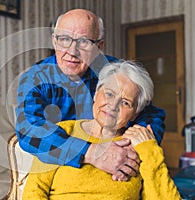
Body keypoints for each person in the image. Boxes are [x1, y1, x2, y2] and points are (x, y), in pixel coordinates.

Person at [15, 8, 165, 181]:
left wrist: (131, 148)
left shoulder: (114, 71)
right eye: (64, 39)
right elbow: (28, 130)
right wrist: (92, 153)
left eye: (84, 42)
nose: (72, 51)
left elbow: (151, 114)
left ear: (99, 46)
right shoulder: (35, 78)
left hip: (118, 165)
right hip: (62, 169)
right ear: (54, 41)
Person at [22, 61, 181, 199]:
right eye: (109, 94)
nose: (113, 106)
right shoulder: (62, 132)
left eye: (125, 103)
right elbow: (34, 192)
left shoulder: (138, 146)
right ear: (96, 94)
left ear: (135, 113)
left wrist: (149, 149)